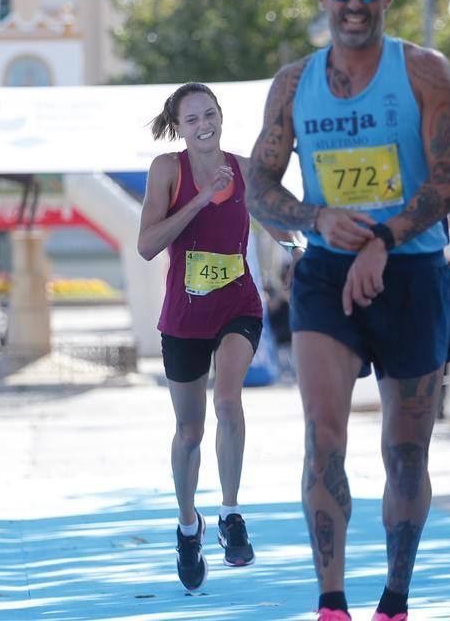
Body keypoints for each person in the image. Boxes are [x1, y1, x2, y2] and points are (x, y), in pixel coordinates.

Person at [246, 0, 450, 620]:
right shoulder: (294, 83)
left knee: (406, 453)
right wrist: (315, 215)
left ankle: (394, 599)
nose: (352, 4)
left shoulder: (427, 72)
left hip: (412, 272)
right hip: (325, 271)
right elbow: (258, 180)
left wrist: (383, 237)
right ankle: (332, 602)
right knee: (324, 433)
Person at [138, 81, 300, 591]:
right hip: (184, 317)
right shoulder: (167, 171)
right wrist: (201, 200)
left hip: (238, 306)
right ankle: (189, 526)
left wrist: (299, 251)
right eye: (192, 119)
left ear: (221, 117)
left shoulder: (247, 170)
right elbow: (147, 245)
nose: (203, 124)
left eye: (210, 114)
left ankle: (231, 515)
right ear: (180, 127)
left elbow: (279, 225)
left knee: (228, 401)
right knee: (189, 433)